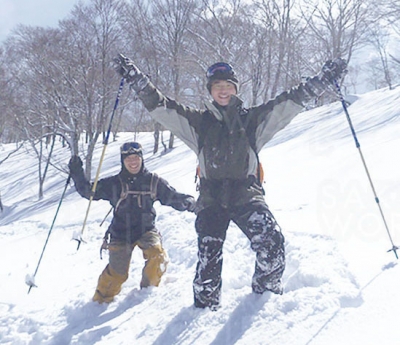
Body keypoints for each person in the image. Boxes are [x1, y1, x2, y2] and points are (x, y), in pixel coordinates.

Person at [113, 56, 347, 310]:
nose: (223, 90)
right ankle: (204, 307)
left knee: (272, 241)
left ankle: (263, 298)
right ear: (211, 91)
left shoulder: (252, 120)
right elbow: (162, 108)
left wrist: (322, 80)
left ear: (235, 89)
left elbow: (288, 103)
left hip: (246, 194)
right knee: (209, 257)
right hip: (211, 198)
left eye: (227, 85)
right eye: (217, 86)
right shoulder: (199, 123)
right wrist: (138, 81)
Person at [68, 141, 196, 303]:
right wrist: (77, 172)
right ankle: (99, 302)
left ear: (142, 159)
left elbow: (172, 196)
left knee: (157, 256)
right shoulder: (114, 183)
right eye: (128, 159)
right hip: (121, 233)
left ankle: (148, 292)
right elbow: (89, 191)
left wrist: (188, 202)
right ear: (123, 161)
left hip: (146, 230)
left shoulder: (153, 181)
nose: (133, 162)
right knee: (118, 274)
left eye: (136, 157)